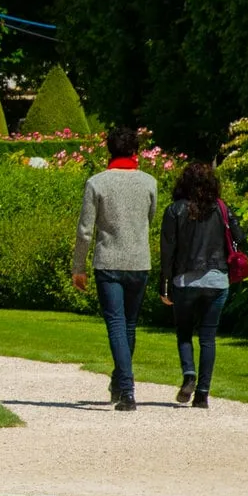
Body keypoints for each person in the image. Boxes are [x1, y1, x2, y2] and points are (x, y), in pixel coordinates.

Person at [71, 125, 161, 411]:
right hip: (139, 261)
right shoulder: (149, 182)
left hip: (108, 261)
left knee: (116, 324)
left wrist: (78, 267)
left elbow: (85, 230)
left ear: (108, 150)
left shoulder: (97, 183)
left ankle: (128, 387)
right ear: (136, 151)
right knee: (129, 324)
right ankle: (120, 382)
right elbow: (150, 217)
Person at [159, 162, 240, 409]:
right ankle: (203, 394)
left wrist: (164, 283)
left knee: (184, 332)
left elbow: (167, 249)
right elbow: (240, 237)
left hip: (185, 279)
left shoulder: (175, 210)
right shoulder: (222, 209)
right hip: (217, 279)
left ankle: (189, 375)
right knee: (208, 337)